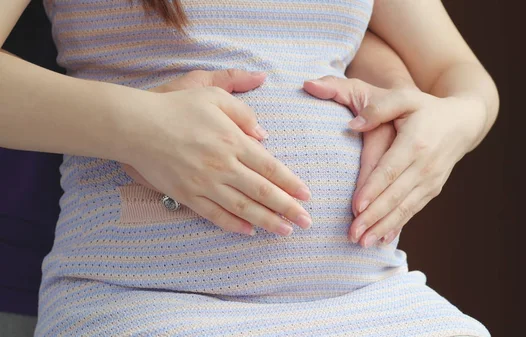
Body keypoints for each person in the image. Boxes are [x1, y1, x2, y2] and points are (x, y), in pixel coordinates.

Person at [1, 0, 498, 336]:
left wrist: (454, 121)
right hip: (146, 298)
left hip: (372, 293)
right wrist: (139, 126)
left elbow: (458, 74)